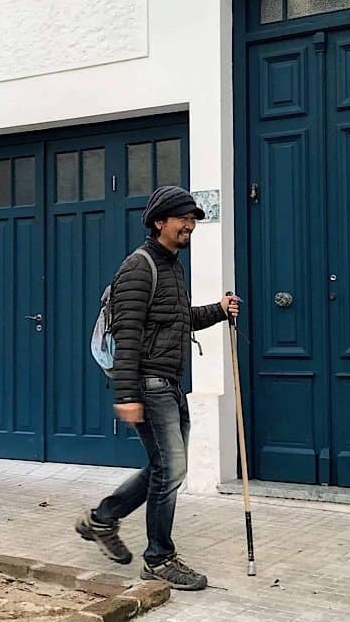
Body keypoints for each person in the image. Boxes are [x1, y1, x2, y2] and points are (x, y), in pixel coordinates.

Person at [75, 185, 239, 591]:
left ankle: (102, 519)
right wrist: (127, 395)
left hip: (168, 383)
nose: (189, 225)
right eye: (182, 218)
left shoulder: (171, 266)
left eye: (193, 219)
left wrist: (218, 311)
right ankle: (159, 558)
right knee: (172, 470)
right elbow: (127, 335)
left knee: (162, 469)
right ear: (159, 222)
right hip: (149, 384)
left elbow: (178, 319)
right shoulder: (140, 266)